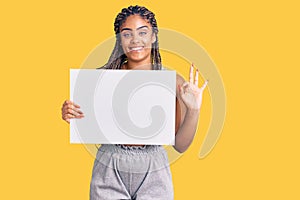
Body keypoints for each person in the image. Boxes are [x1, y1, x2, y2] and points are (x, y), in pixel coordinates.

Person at [61, 5, 208, 200]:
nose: (135, 40)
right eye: (127, 34)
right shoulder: (101, 79)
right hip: (109, 165)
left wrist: (194, 110)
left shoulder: (173, 82)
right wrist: (71, 114)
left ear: (154, 36)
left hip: (154, 167)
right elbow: (88, 123)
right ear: (119, 39)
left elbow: (180, 145)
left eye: (143, 32)